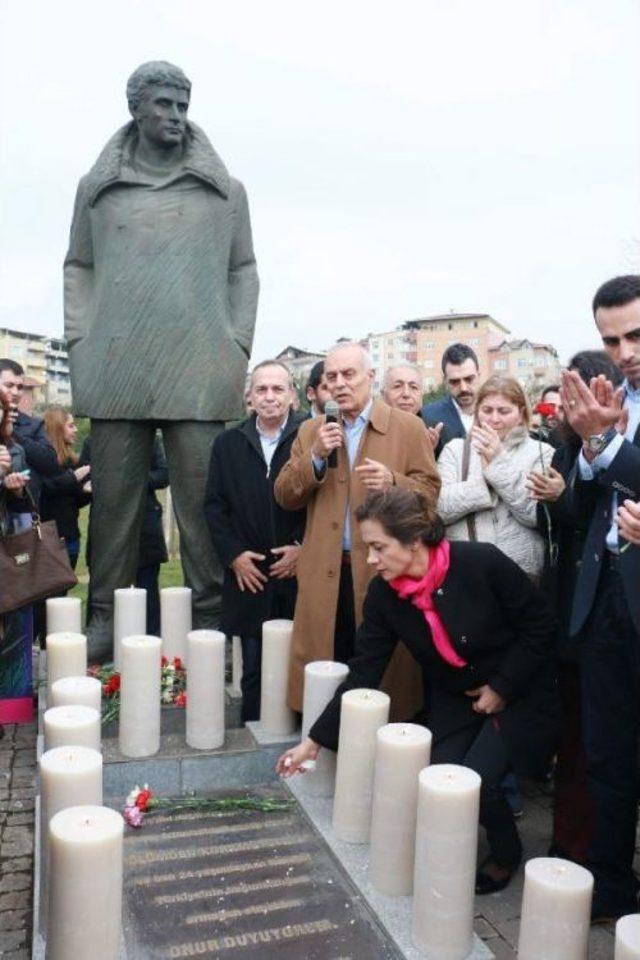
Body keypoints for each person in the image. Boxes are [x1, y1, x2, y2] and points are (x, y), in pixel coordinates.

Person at [63, 60, 259, 660]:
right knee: (115, 509)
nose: (175, 116)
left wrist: (237, 343)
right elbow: (79, 267)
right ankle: (106, 619)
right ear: (137, 110)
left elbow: (242, 270)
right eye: (164, 105)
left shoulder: (225, 192)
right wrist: (79, 339)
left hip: (199, 369)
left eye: (182, 105)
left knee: (203, 509)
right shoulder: (97, 190)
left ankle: (209, 620)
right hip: (115, 369)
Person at [277, 488, 557, 893]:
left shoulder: (482, 563)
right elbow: (363, 673)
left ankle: (505, 853)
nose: (370, 560)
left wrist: (502, 686)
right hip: (456, 694)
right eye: (367, 547)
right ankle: (451, 856)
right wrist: (314, 742)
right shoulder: (384, 596)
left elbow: (541, 626)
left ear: (413, 541)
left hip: (521, 688)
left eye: (378, 547)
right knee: (442, 778)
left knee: (478, 781)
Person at [275, 341, 440, 720]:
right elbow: (284, 495)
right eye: (332, 377)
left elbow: (431, 495)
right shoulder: (312, 431)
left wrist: (393, 481)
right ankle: (322, 743)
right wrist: (315, 456)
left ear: (370, 377)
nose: (340, 384)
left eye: (349, 374)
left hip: (385, 572)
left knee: (383, 673)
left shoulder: (408, 427)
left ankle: (387, 743)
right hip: (325, 574)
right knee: (325, 666)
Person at [559, 275, 640, 921]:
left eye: (636, 333)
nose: (625, 350)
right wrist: (590, 445)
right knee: (608, 760)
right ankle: (611, 891)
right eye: (611, 338)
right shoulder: (615, 400)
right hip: (604, 600)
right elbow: (586, 505)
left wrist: (607, 445)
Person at [527, 351, 622, 866]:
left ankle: (585, 849)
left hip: (600, 615)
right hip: (565, 608)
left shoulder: (611, 448)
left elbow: (594, 522)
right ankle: (569, 843)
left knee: (595, 744)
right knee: (575, 737)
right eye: (565, 399)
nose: (567, 409)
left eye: (576, 397)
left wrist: (563, 499)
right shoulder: (565, 447)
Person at [205, 361, 306, 721]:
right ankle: (252, 735)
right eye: (262, 389)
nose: (270, 397)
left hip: (297, 575)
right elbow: (215, 508)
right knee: (254, 668)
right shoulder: (228, 444)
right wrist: (233, 557)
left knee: (302, 663)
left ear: (292, 395)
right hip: (250, 576)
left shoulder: (310, 437)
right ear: (249, 398)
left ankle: (296, 739)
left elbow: (326, 505)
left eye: (278, 389)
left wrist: (304, 551)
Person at [436, 375, 553, 581]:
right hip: (464, 573)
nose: (494, 419)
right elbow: (439, 508)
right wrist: (486, 487)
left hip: (521, 575)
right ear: (477, 412)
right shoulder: (455, 450)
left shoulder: (542, 453)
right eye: (487, 410)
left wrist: (497, 463)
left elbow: (534, 514)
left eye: (504, 411)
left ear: (521, 413)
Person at [0, 390, 32, 728]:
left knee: (9, 630)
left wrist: (16, 488)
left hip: (6, 548)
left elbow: (24, 505)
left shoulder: (15, 450)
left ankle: (8, 706)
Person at [0, 360, 61, 506]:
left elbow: (51, 464)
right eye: (9, 385)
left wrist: (11, 433)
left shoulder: (34, 424)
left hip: (22, 513)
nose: (15, 392)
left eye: (20, 387)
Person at [40, 408, 91, 569]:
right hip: (49, 539)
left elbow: (72, 501)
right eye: (70, 426)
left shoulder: (72, 461)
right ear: (57, 428)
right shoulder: (43, 460)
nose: (75, 429)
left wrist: (87, 492)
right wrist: (74, 478)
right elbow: (48, 490)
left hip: (71, 537)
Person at [421, 343, 480, 457]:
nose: (463, 388)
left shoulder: (499, 414)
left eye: (469, 379)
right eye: (455, 381)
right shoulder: (427, 417)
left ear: (479, 375)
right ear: (445, 381)